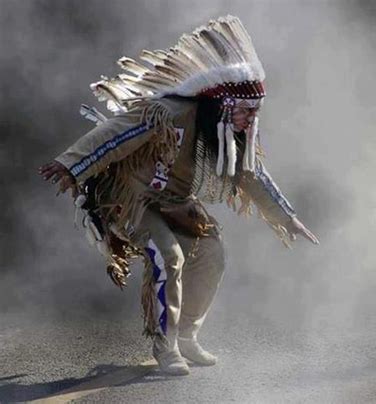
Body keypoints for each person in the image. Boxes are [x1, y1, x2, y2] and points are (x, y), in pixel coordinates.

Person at [38, 15, 319, 376]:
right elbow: (115, 133)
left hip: (175, 203)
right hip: (130, 199)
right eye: (246, 111)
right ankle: (166, 346)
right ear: (223, 103)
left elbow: (249, 173)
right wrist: (72, 164)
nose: (251, 119)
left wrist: (286, 217)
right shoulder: (169, 112)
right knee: (167, 255)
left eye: (255, 113)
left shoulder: (226, 132)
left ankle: (186, 335)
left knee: (212, 254)